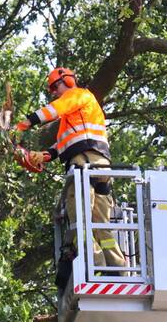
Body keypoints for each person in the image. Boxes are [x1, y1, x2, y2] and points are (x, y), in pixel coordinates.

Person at [14, 67, 126, 286]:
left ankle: (96, 266)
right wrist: (44, 156)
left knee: (80, 221)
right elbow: (63, 144)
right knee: (101, 223)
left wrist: (25, 123)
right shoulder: (76, 115)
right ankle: (118, 270)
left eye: (55, 87)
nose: (54, 92)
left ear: (67, 81)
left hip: (83, 163)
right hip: (100, 166)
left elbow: (53, 110)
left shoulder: (77, 94)